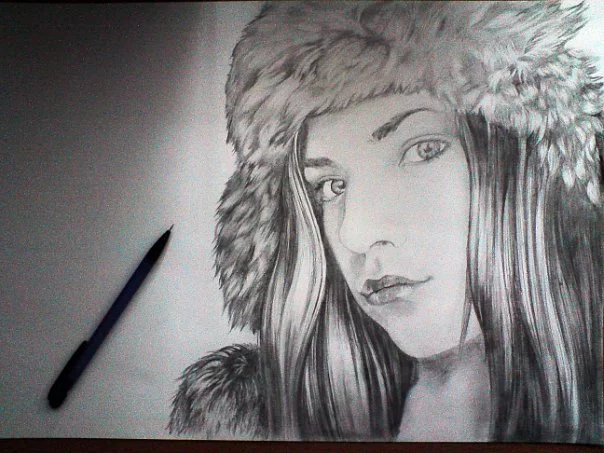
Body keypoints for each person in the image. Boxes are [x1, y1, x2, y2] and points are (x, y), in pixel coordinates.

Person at [169, 1, 603, 443]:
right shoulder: (245, 425)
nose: (355, 234)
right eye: (330, 186)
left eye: (422, 151)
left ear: (527, 169)